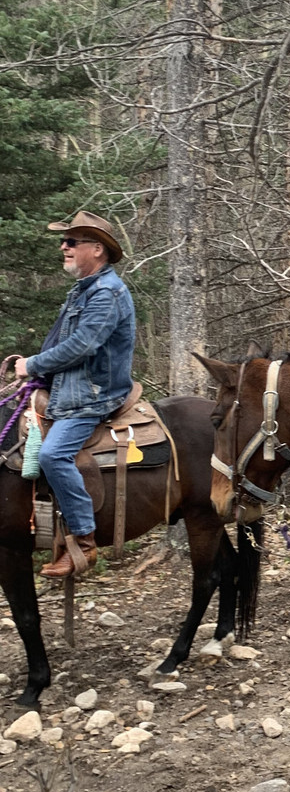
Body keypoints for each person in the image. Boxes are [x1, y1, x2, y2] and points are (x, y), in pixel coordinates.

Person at [14, 212, 136, 578]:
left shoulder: (107, 293)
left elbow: (83, 345)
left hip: (93, 396)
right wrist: (31, 371)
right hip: (71, 387)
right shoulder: (84, 290)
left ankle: (83, 542)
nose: (63, 247)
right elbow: (60, 343)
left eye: (72, 242)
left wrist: (32, 365)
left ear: (97, 249)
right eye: (64, 241)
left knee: (53, 455)